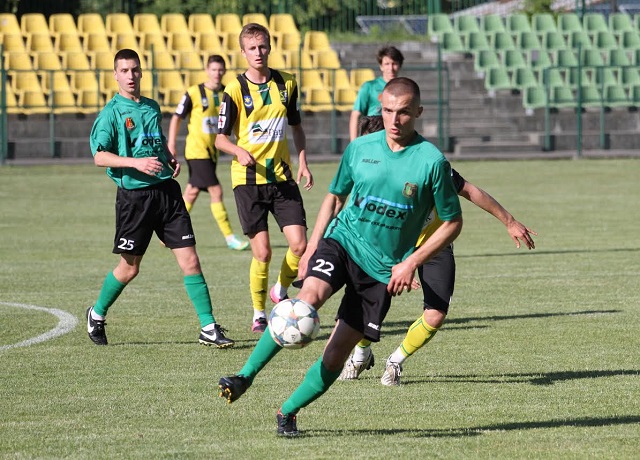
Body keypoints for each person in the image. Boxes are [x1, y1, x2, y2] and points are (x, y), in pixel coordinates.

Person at [217, 77, 463, 436]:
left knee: (335, 354)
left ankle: (287, 412)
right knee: (306, 301)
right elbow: (334, 198)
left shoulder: (431, 162)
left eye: (404, 112)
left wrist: (410, 262)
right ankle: (244, 376)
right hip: (343, 242)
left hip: (381, 271)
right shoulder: (360, 148)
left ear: (419, 112)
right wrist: (312, 247)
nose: (394, 120)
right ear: (380, 108)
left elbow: (453, 222)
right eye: (388, 111)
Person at [339, 115, 538, 385]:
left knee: (435, 314)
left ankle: (395, 361)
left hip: (434, 244)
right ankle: (361, 355)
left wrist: (509, 221)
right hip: (389, 245)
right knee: (370, 302)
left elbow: (469, 191)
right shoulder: (370, 174)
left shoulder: (427, 164)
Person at [86, 48, 234, 348]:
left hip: (167, 192)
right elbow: (99, 157)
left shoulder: (152, 107)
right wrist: (136, 163)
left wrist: (169, 157)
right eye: (124, 70)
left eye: (135, 69)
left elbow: (155, 142)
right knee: (130, 268)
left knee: (190, 260)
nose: (130, 75)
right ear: (115, 75)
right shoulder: (111, 113)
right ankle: (97, 313)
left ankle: (208, 327)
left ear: (141, 72)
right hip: (135, 199)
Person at [215, 23, 313, 333]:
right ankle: (259, 313)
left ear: (269, 48)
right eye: (252, 48)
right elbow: (220, 138)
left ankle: (280, 290)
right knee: (263, 252)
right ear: (243, 52)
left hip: (282, 178)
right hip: (248, 181)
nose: (258, 52)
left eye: (262, 46)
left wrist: (303, 161)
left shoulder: (287, 83)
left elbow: (296, 126)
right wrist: (237, 150)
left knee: (300, 245)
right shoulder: (234, 89)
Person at [167, 54, 249, 251]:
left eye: (220, 70)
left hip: (212, 153)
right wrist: (171, 143)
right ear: (207, 70)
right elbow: (177, 117)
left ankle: (168, 233)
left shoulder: (227, 92)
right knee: (216, 191)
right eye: (213, 69)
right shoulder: (194, 93)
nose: (217, 73)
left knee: (192, 192)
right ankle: (230, 238)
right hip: (197, 151)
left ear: (224, 71)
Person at [349, 45, 404, 141]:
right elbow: (355, 115)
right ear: (381, 66)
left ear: (400, 65)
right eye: (387, 64)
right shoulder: (369, 87)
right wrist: (353, 144)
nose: (391, 68)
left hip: (395, 138)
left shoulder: (405, 89)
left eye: (394, 63)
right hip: (372, 136)